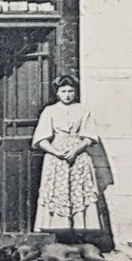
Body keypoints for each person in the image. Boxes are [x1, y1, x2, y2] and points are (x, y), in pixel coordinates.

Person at [31, 75, 106, 243]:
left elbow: (89, 137)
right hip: (56, 158)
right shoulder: (49, 111)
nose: (67, 95)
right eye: (63, 91)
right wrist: (56, 152)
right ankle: (59, 235)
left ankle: (79, 234)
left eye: (71, 91)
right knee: (58, 191)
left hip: (78, 157)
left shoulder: (83, 110)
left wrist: (76, 150)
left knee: (78, 190)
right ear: (57, 93)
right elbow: (41, 139)